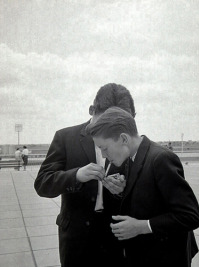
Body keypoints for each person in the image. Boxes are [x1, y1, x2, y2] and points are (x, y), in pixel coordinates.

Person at [34, 83, 136, 267]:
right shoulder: (65, 137)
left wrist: (122, 188)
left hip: (115, 236)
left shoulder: (126, 139)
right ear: (91, 110)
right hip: (76, 236)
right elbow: (42, 184)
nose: (110, 129)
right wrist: (76, 175)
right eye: (105, 120)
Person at [86, 107, 199, 267]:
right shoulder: (130, 157)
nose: (104, 155)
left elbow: (189, 216)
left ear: (124, 139)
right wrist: (120, 192)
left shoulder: (161, 159)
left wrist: (141, 227)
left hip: (165, 257)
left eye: (104, 148)